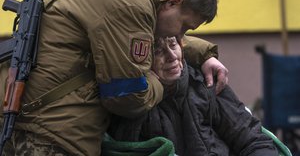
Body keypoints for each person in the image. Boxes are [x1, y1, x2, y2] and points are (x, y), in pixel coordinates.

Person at [0, 0, 227, 155]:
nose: (179, 36)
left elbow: (134, 35)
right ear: (173, 1)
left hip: (27, 117)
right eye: (184, 26)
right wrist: (158, 82)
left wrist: (203, 53)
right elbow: (126, 97)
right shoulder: (131, 4)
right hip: (51, 132)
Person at [108, 36, 279, 156]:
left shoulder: (204, 84)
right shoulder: (132, 104)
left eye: (173, 44)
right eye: (158, 51)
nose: (172, 56)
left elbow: (253, 139)